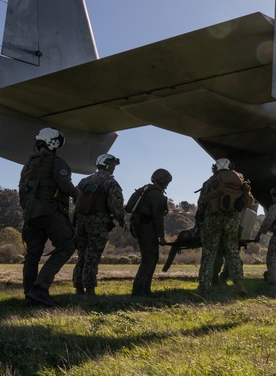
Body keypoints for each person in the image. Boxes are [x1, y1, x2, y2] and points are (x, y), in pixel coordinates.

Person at [18, 127, 79, 306]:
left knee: (32, 254)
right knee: (67, 245)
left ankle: (29, 292)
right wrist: (79, 196)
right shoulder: (57, 162)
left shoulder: (27, 165)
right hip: (50, 212)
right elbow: (65, 185)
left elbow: (22, 192)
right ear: (54, 143)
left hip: (30, 214)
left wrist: (28, 211)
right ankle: (40, 288)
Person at [72, 153, 125, 296]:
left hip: (80, 224)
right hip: (98, 224)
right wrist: (122, 221)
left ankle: (78, 287)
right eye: (113, 165)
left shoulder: (84, 181)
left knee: (82, 254)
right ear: (108, 165)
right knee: (93, 255)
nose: (114, 168)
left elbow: (75, 199)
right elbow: (117, 206)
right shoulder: (110, 183)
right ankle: (90, 289)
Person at [197, 158, 249, 297]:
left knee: (209, 253)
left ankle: (204, 287)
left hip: (213, 218)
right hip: (232, 219)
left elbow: (202, 204)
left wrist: (199, 221)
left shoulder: (209, 182)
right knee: (232, 252)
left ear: (215, 168)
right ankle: (239, 284)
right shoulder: (238, 180)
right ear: (230, 166)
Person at [128, 168, 171, 296]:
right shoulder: (156, 194)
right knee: (149, 259)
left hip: (140, 228)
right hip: (147, 229)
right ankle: (139, 291)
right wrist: (161, 237)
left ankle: (145, 289)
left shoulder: (146, 190)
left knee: (152, 258)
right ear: (164, 181)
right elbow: (158, 217)